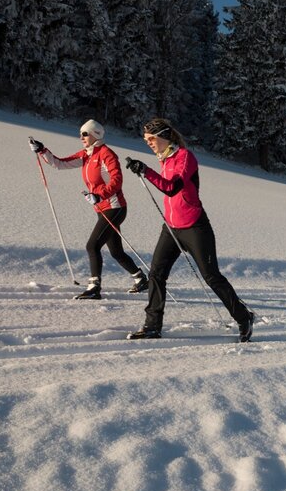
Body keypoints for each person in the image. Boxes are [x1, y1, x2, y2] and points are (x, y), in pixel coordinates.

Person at [124, 118, 254, 341]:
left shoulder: (185, 157)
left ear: (165, 136)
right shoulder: (165, 159)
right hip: (171, 227)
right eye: (146, 140)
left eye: (151, 138)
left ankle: (244, 317)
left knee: (211, 276)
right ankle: (152, 326)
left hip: (195, 227)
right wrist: (146, 170)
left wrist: (146, 170)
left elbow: (172, 188)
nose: (149, 143)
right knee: (156, 274)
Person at [29, 120, 148, 299]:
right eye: (81, 134)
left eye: (85, 134)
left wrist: (100, 195)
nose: (81, 137)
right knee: (116, 251)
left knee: (92, 245)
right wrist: (42, 150)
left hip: (114, 207)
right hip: (102, 208)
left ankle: (94, 287)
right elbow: (60, 163)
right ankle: (141, 279)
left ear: (96, 134)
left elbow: (116, 180)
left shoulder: (106, 154)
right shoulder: (86, 154)